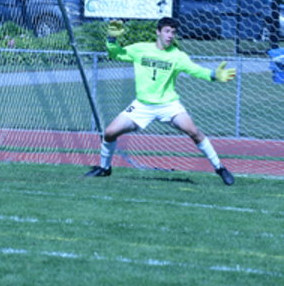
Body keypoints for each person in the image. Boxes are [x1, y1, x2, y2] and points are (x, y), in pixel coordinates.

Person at [85, 17, 236, 185]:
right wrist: (112, 38)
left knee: (194, 131)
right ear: (158, 32)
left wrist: (214, 75)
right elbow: (115, 54)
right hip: (142, 105)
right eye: (167, 31)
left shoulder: (177, 56)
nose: (170, 35)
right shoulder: (141, 49)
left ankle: (220, 168)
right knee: (109, 132)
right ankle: (104, 168)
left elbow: (196, 70)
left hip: (168, 105)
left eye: (173, 32)